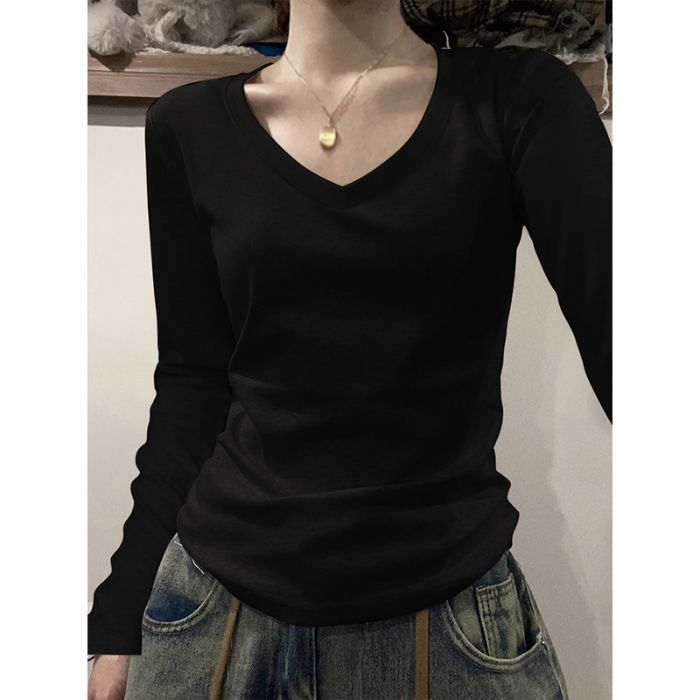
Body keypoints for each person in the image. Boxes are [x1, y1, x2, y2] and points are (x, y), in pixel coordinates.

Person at [87, 0, 611, 697]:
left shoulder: (518, 101)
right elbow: (193, 383)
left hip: (447, 620)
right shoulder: (188, 125)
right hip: (210, 621)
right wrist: (122, 611)